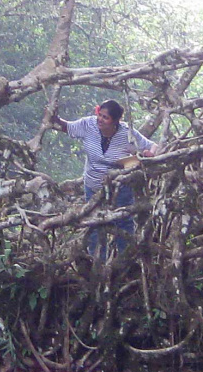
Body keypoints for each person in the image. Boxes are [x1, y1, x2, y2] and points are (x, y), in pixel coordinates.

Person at [50, 99, 156, 255]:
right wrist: (54, 116)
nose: (100, 119)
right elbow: (67, 126)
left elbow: (152, 146)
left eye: (105, 117)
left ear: (115, 121)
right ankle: (96, 260)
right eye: (100, 115)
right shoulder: (88, 125)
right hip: (93, 186)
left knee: (123, 222)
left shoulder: (127, 133)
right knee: (94, 224)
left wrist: (149, 154)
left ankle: (125, 259)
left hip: (119, 188)